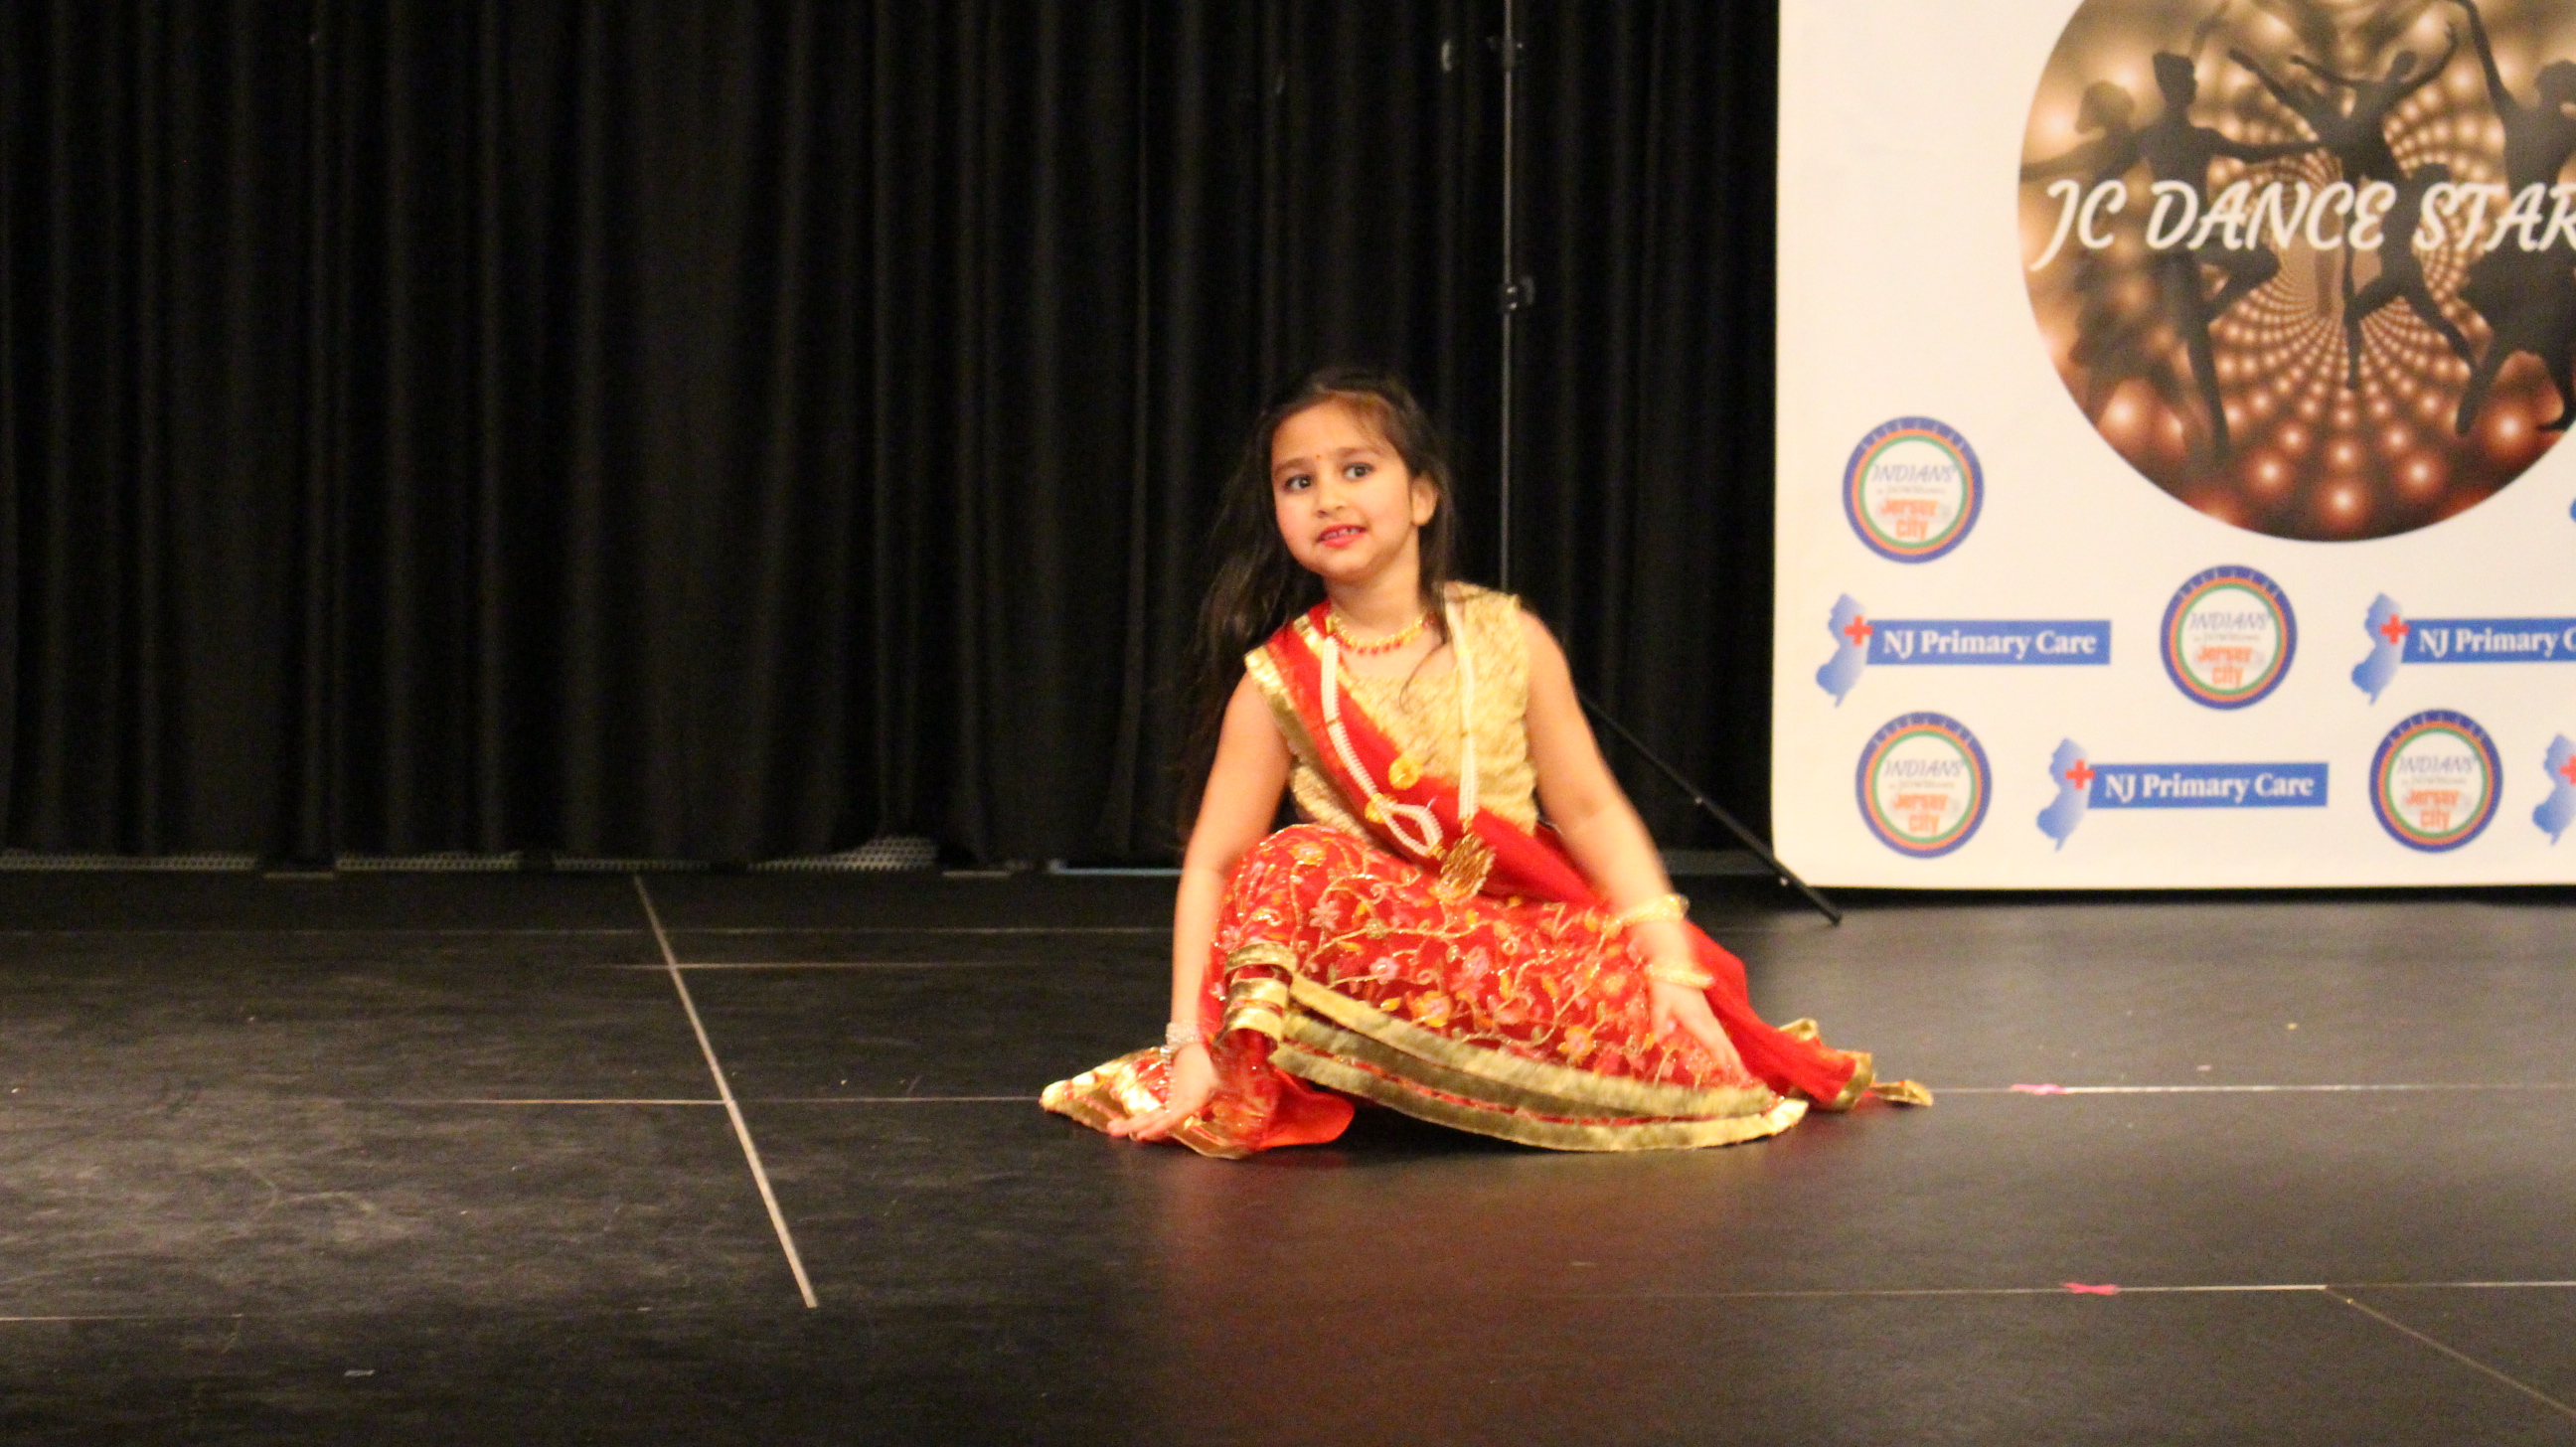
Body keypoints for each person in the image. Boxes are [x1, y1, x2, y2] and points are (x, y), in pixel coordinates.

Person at [1042, 369, 1925, 1158]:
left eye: (1357, 469)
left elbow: (1593, 813)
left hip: (1523, 951)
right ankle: (1390, 1070)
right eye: (1298, 481)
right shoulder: (1279, 682)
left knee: (1690, 1057)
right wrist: (1191, 1044)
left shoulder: (1509, 638)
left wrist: (1669, 964)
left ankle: (1475, 1079)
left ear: (1423, 495)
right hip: (1382, 973)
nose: (1327, 498)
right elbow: (1218, 864)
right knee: (1292, 862)